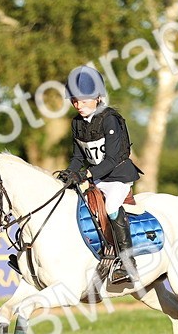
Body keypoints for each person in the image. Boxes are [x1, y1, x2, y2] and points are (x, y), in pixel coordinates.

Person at [57, 65, 143, 285]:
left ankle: (128, 263)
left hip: (119, 177)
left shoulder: (110, 119)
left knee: (112, 207)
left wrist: (86, 174)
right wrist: (69, 174)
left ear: (97, 98)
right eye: (75, 100)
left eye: (84, 100)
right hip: (97, 178)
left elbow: (113, 159)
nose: (79, 105)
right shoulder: (76, 124)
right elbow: (78, 156)